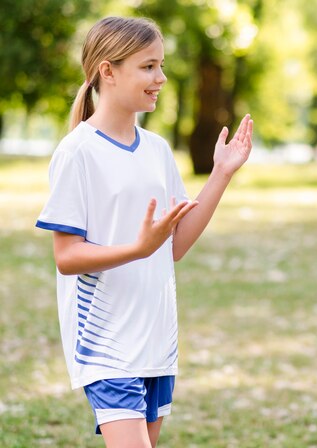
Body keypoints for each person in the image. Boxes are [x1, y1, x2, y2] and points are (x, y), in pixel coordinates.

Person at [35, 16, 253, 447]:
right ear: (108, 71)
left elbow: (174, 246)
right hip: (107, 343)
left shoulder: (156, 149)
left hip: (157, 339)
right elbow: (66, 257)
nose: (161, 78)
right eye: (148, 66)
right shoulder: (77, 152)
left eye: (162, 65)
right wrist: (137, 248)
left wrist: (221, 174)